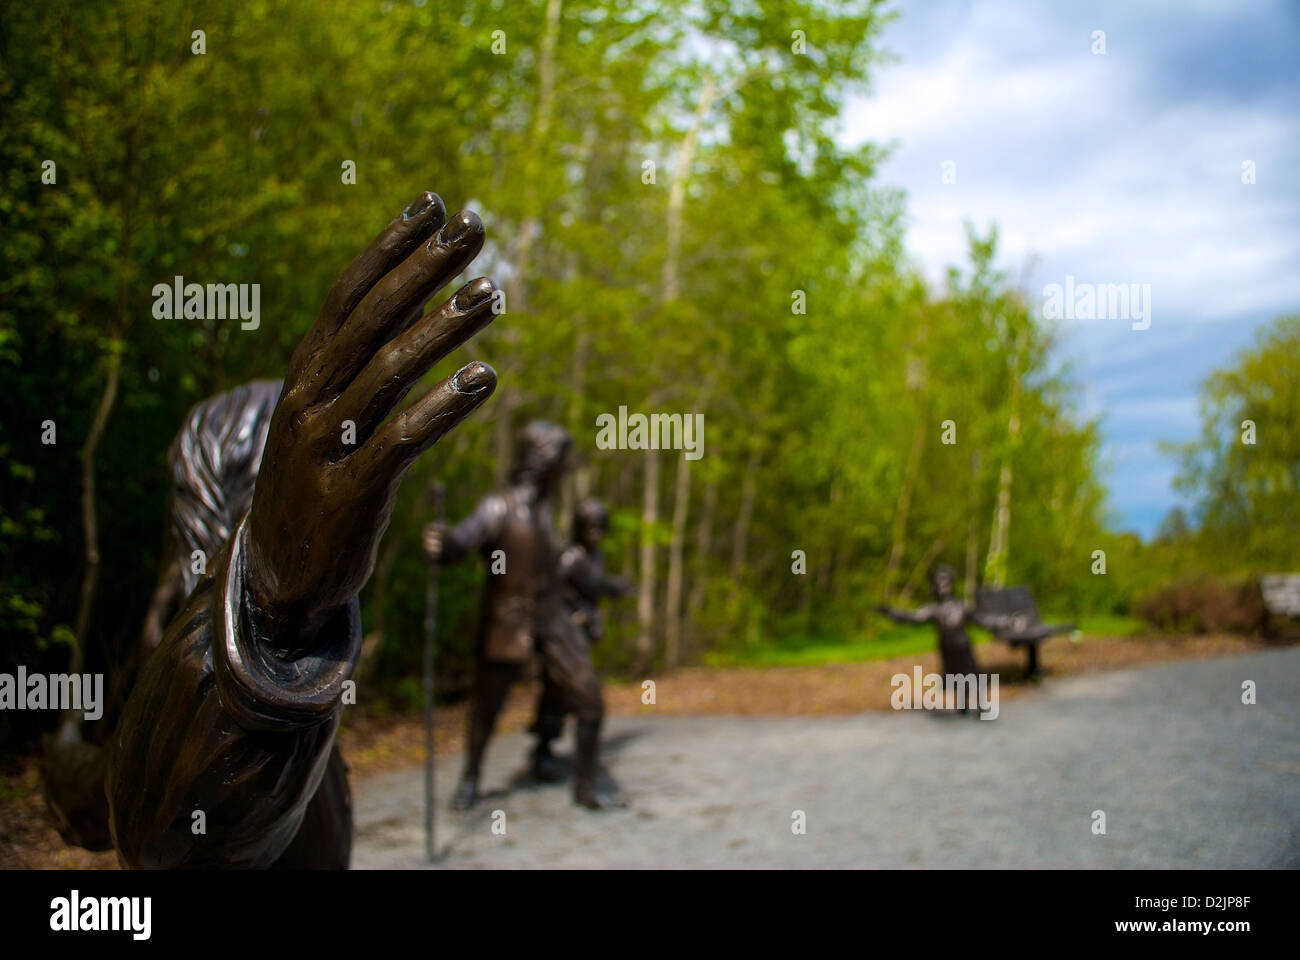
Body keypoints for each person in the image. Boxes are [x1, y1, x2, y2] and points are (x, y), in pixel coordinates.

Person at [106, 190, 502, 868]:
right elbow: (163, 840)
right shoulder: (170, 684)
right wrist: (268, 610)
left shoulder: (315, 680)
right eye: (257, 499)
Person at [424, 425, 623, 810]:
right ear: (542, 464)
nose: (564, 472)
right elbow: (462, 542)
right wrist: (444, 543)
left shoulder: (548, 514)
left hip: (554, 622)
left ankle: (585, 787)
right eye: (560, 464)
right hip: (508, 622)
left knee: (590, 701)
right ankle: (470, 779)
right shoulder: (497, 507)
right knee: (487, 706)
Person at [529, 497, 634, 783]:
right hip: (561, 636)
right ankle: (543, 753)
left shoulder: (595, 557)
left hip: (580, 636)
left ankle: (552, 754)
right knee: (558, 693)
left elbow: (594, 585)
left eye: (600, 528)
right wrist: (574, 613)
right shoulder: (570, 557)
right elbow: (554, 590)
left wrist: (613, 589)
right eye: (590, 527)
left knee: (563, 695)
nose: (595, 534)